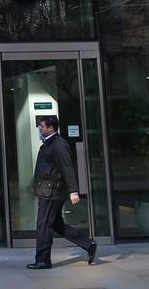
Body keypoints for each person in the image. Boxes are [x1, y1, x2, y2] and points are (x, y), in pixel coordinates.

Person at [27, 115, 97, 269]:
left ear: (51, 128)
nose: (40, 128)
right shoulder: (49, 143)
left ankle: (43, 260)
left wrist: (73, 191)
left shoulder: (58, 145)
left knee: (44, 225)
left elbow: (67, 168)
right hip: (48, 190)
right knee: (56, 224)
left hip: (52, 192)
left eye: (42, 126)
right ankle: (88, 244)